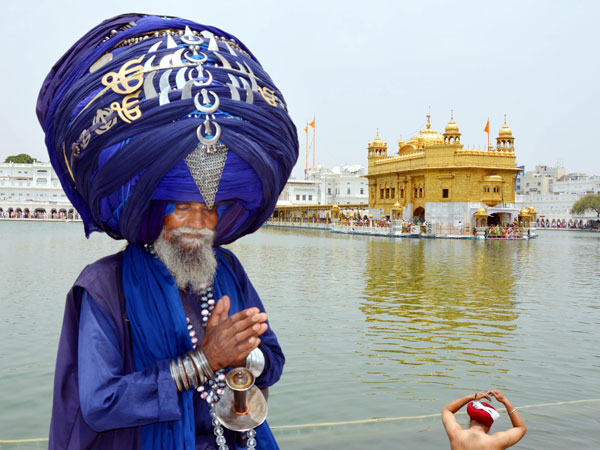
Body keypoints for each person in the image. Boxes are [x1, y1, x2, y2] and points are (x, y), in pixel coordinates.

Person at [37, 13, 298, 450]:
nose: (198, 224)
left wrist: (243, 357)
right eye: (182, 208)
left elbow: (271, 359)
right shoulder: (102, 285)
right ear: (158, 212)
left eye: (209, 210)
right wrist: (205, 360)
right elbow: (100, 402)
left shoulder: (227, 269)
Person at [441, 390, 527, 450]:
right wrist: (505, 401)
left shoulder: (456, 435)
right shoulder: (495, 442)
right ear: (490, 424)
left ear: (470, 419)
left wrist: (472, 397)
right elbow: (520, 428)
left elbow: (447, 410)